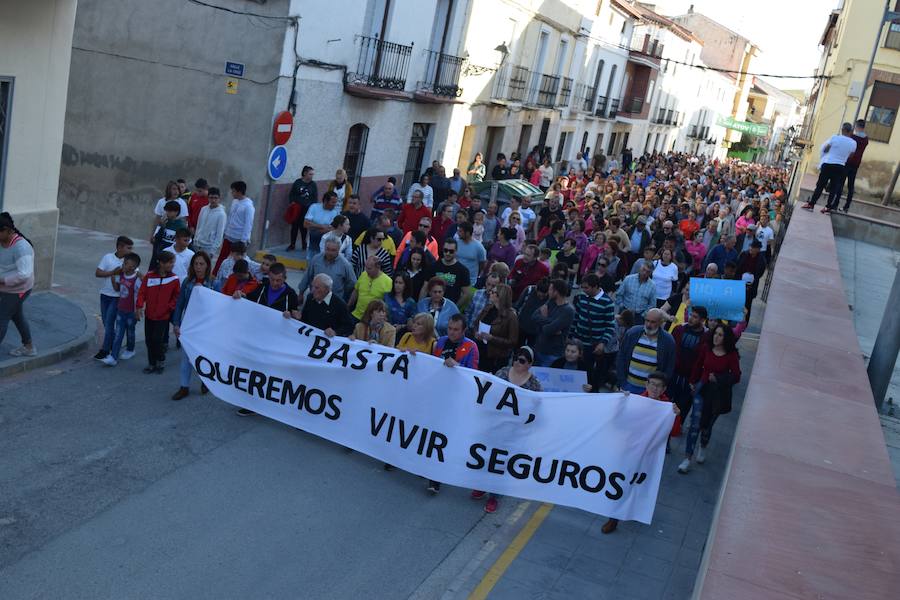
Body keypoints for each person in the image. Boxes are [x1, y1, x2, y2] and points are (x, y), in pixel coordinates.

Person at [601, 370, 679, 534]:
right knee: (622, 481)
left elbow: (674, 432)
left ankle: (634, 510)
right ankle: (614, 518)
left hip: (651, 454)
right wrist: (621, 403)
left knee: (641, 483)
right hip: (630, 450)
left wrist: (676, 415)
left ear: (664, 389)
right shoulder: (636, 401)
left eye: (659, 386)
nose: (655, 388)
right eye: (652, 384)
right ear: (646, 384)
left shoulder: (668, 407)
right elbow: (618, 423)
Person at [471, 345, 541, 512]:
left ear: (529, 364)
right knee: (487, 456)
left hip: (514, 430)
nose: (517, 362)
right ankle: (481, 485)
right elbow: (490, 392)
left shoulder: (534, 383)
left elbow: (537, 407)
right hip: (496, 424)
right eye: (515, 358)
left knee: (502, 463)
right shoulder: (503, 372)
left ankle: (495, 496)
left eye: (521, 360)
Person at [678, 322, 741, 473]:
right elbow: (698, 364)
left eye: (720, 335)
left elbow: (736, 376)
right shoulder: (706, 348)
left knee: (707, 425)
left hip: (718, 394)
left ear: (726, 338)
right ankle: (687, 458)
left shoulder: (731, 355)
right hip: (702, 389)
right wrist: (693, 381)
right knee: (695, 423)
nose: (716, 337)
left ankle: (703, 445)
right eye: (715, 334)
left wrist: (719, 378)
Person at [427, 313, 479, 493]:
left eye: (456, 329)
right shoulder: (440, 342)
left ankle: (436, 479)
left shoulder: (471, 347)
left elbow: (474, 375)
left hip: (456, 399)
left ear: (464, 330)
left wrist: (457, 366)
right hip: (438, 395)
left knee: (443, 438)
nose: (451, 332)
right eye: (449, 328)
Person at [169, 252, 214, 398]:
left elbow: (218, 306)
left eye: (201, 264)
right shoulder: (187, 282)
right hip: (189, 325)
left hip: (206, 326)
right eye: (196, 264)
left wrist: (204, 291)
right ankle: (184, 387)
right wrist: (176, 324)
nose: (198, 267)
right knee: (186, 357)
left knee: (204, 356)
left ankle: (206, 381)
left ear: (207, 266)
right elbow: (180, 304)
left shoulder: (214, 283)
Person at [136, 251, 180, 375]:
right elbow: (142, 293)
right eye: (170, 262)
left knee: (157, 340)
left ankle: (160, 360)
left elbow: (176, 296)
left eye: (172, 262)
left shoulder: (174, 279)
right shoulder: (149, 276)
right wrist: (139, 306)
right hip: (149, 315)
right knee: (149, 340)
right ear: (161, 263)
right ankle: (151, 363)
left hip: (163, 316)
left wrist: (169, 307)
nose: (172, 265)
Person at [572, 273, 616, 391]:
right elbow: (576, 317)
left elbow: (610, 325)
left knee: (590, 375)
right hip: (578, 342)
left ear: (595, 286)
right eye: (583, 287)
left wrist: (602, 343)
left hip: (593, 346)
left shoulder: (607, 302)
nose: (583, 290)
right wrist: (571, 336)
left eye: (586, 288)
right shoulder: (582, 297)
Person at [0, 213, 36, 356]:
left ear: (7, 230)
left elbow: (24, 274)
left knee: (2, 317)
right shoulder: (2, 241)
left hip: (18, 289)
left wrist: (2, 280)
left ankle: (29, 347)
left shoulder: (22, 248)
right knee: (16, 315)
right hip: (5, 286)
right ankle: (29, 347)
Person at [616, 308, 675, 393]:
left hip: (650, 390)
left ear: (661, 322)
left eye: (653, 322)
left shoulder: (668, 341)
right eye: (647, 320)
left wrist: (658, 389)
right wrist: (622, 382)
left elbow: (669, 367)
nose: (648, 324)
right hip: (628, 385)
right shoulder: (632, 333)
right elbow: (621, 357)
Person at [801, 122, 857, 214]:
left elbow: (826, 149)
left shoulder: (835, 138)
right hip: (840, 166)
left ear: (842, 130)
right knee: (834, 188)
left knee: (820, 185)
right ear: (850, 131)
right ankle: (828, 208)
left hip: (828, 163)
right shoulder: (853, 143)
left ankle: (811, 204)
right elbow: (851, 155)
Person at [94, 235, 134, 361]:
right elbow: (98, 273)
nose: (130, 250)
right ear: (119, 247)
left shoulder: (129, 262)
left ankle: (105, 350)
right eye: (128, 248)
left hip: (117, 297)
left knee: (109, 323)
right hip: (105, 294)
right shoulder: (108, 257)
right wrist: (113, 272)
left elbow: (134, 275)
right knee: (106, 322)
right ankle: (113, 342)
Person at [103, 252, 142, 366]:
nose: (123, 265)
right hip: (121, 309)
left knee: (130, 332)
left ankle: (130, 349)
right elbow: (117, 289)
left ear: (133, 267)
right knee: (119, 333)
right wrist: (113, 279)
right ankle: (113, 357)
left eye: (125, 264)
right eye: (124, 263)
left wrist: (138, 310)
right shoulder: (122, 275)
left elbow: (141, 296)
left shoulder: (137, 279)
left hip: (131, 312)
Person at [669, 305, 708, 421]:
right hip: (673, 375)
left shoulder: (707, 337)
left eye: (695, 317)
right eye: (691, 315)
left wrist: (695, 380)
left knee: (683, 407)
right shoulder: (678, 329)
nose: (691, 318)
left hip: (690, 380)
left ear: (702, 320)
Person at [472, 283, 519, 374]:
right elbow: (476, 323)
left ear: (500, 296)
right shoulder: (488, 308)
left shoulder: (511, 316)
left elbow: (512, 341)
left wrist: (492, 338)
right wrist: (476, 333)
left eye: (493, 292)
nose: (490, 293)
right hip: (480, 350)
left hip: (495, 357)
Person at [298, 235, 357, 302]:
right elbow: (307, 277)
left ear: (339, 250)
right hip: (315, 298)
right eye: (327, 249)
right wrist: (301, 293)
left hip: (334, 301)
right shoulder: (316, 259)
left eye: (333, 250)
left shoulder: (345, 265)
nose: (330, 253)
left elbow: (352, 283)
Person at [531, 278, 575, 366]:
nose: (548, 292)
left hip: (552, 354)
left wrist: (544, 319)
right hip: (539, 349)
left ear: (556, 292)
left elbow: (548, 330)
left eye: (550, 289)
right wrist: (550, 320)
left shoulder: (568, 310)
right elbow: (534, 316)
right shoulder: (550, 302)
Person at [214, 181, 255, 274]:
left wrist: (243, 240)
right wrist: (225, 231)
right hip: (229, 235)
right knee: (222, 256)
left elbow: (248, 224)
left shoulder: (248, 206)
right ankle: (215, 274)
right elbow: (230, 217)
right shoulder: (234, 201)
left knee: (237, 260)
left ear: (239, 192)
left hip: (238, 239)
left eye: (233, 191)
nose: (231, 193)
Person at [420, 238, 471, 304]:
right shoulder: (433, 266)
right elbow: (425, 288)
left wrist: (455, 307)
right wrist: (420, 305)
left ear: (456, 251)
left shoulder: (463, 270)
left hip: (449, 306)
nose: (448, 253)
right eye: (445, 250)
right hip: (431, 305)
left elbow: (466, 293)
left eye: (451, 251)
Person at [349, 255, 393, 321]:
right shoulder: (363, 274)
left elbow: (388, 305)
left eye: (369, 268)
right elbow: (356, 291)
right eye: (366, 268)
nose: (366, 270)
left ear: (378, 267)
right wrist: (348, 306)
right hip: (357, 315)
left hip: (373, 319)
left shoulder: (388, 282)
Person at [839, 119, 869, 213]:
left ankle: (835, 204)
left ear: (857, 126)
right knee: (851, 186)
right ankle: (846, 207)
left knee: (840, 183)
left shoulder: (852, 136)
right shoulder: (866, 140)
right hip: (856, 164)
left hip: (848, 161)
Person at [287, 165, 318, 251]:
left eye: (312, 174)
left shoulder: (313, 184)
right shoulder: (298, 182)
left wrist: (313, 209)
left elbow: (315, 197)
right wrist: (292, 202)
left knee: (304, 227)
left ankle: (304, 244)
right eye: (310, 174)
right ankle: (292, 244)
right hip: (297, 208)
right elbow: (292, 194)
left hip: (307, 209)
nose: (312, 176)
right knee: (294, 226)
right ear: (305, 173)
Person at [304, 191, 342, 260]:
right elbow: (306, 224)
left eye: (335, 202)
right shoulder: (314, 207)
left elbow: (336, 228)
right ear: (325, 201)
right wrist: (323, 226)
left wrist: (315, 228)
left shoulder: (336, 212)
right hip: (312, 243)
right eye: (333, 202)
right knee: (311, 261)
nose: (335, 205)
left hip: (327, 245)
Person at [193, 187, 227, 260]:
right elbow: (198, 225)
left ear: (219, 198)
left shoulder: (221, 214)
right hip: (198, 244)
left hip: (209, 247)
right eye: (211, 198)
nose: (213, 200)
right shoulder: (203, 209)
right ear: (208, 198)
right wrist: (195, 239)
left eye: (215, 198)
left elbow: (220, 234)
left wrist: (213, 251)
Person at [455, 222, 487, 288]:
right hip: (456, 279)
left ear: (467, 233)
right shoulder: (456, 243)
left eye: (460, 231)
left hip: (471, 282)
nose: (458, 233)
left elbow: (482, 264)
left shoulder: (479, 247)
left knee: (469, 294)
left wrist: (477, 275)